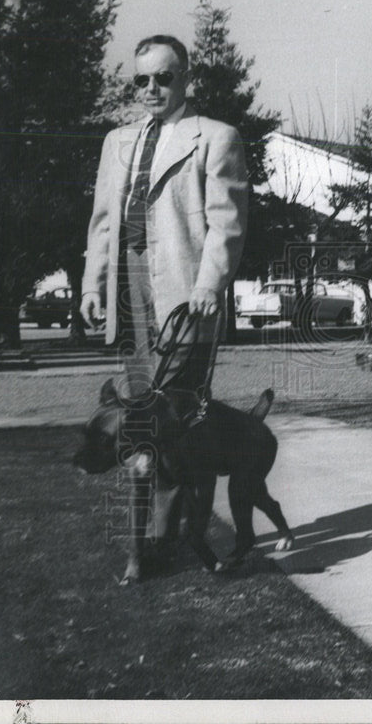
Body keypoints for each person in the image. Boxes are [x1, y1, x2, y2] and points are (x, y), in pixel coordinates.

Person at [80, 34, 250, 560]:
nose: (152, 88)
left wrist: (208, 286)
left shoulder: (215, 137)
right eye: (142, 79)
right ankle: (154, 539)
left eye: (164, 77)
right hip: (129, 289)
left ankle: (168, 535)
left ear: (186, 78)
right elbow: (104, 223)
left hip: (184, 294)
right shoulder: (118, 141)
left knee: (174, 417)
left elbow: (228, 223)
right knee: (138, 416)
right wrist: (93, 283)